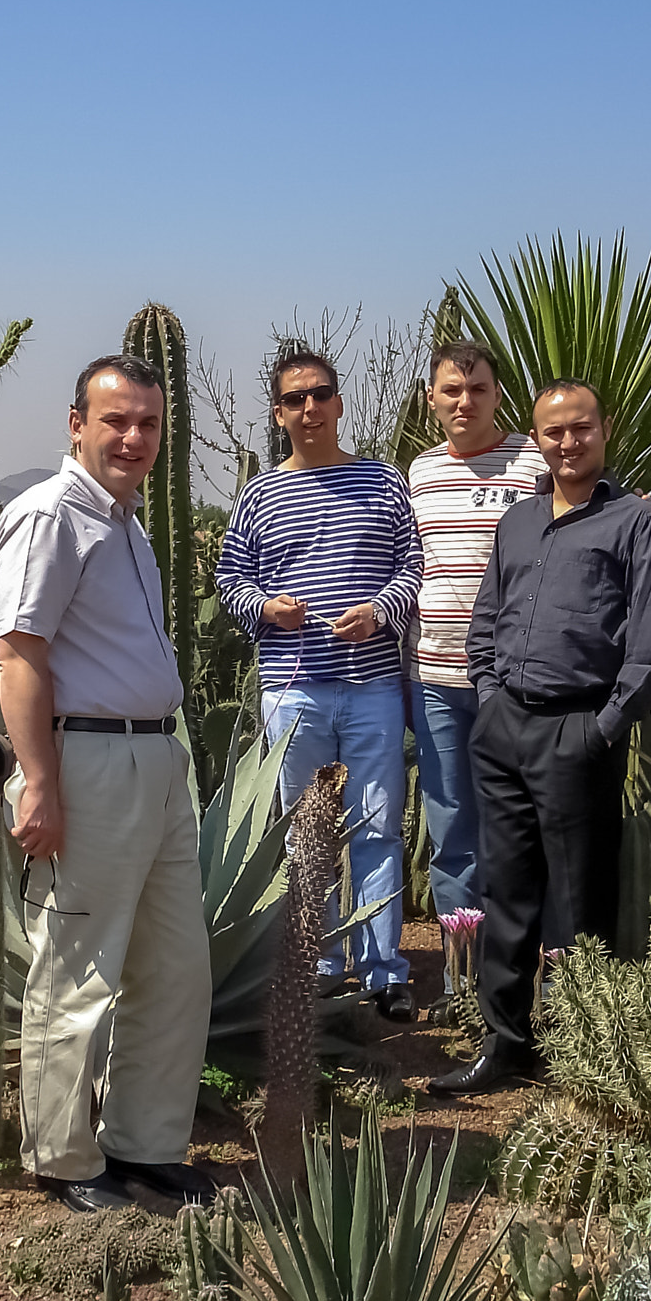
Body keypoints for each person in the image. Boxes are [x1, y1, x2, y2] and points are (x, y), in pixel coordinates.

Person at [0, 352, 217, 1212]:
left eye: (148, 424)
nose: (133, 437)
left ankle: (143, 1143)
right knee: (78, 968)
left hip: (157, 760)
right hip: (88, 762)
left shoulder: (124, 522)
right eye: (115, 420)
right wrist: (39, 783)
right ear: (76, 423)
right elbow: (19, 654)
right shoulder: (50, 517)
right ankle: (61, 1157)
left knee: (174, 968)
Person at [432, 379, 651, 1097]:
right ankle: (507, 1042)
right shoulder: (518, 521)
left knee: (579, 902)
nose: (567, 443)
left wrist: (600, 732)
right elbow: (487, 619)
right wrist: (487, 698)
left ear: (605, 431)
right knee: (507, 891)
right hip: (505, 724)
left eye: (580, 429)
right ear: (535, 438)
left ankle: (583, 1049)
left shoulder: (638, 523)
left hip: (579, 728)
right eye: (553, 432)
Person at [215, 348, 423, 1019]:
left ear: (338, 403)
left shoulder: (384, 483)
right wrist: (266, 608)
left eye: (320, 395)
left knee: (377, 828)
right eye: (295, 399)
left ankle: (383, 971)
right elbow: (230, 579)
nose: (309, 409)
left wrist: (382, 611)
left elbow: (412, 564)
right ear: (278, 413)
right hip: (293, 690)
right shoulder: (258, 495)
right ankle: (320, 964)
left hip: (372, 689)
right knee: (307, 833)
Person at [406, 341, 548, 937]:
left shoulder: (534, 462)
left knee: (515, 822)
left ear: (497, 393)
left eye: (479, 389)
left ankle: (524, 970)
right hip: (435, 676)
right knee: (452, 825)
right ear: (432, 398)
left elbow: (589, 514)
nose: (466, 401)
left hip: (514, 679)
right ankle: (461, 977)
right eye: (453, 390)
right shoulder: (418, 472)